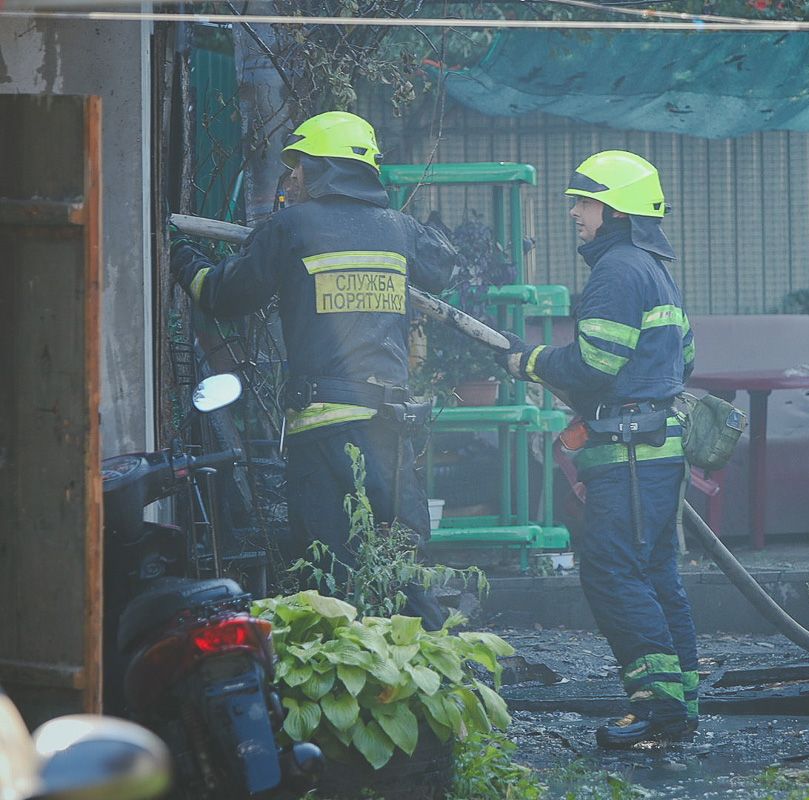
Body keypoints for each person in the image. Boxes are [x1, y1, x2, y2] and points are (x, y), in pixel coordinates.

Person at [170, 111, 457, 629]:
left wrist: (184, 261)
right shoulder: (398, 229)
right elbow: (444, 265)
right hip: (390, 428)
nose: (293, 178)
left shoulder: (291, 227)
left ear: (324, 168)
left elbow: (224, 295)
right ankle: (431, 678)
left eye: (299, 166)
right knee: (403, 568)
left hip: (323, 429)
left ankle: (342, 679)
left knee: (328, 572)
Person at [496, 150, 700, 748]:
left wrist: (528, 360)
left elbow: (592, 363)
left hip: (629, 459)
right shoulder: (657, 268)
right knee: (656, 574)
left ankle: (654, 709)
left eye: (582, 203)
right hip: (656, 453)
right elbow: (686, 360)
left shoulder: (616, 270)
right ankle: (679, 705)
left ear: (612, 209)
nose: (575, 214)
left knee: (612, 574)